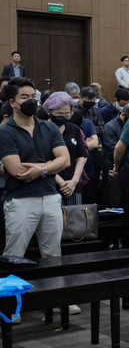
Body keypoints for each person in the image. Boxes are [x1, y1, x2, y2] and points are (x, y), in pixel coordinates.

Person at [0, 78, 70, 257]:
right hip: (20, 200)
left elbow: (65, 160)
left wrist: (42, 169)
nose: (31, 101)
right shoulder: (5, 133)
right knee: (14, 255)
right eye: (24, 97)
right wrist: (51, 164)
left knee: (53, 255)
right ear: (12, 102)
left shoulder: (49, 127)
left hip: (50, 197)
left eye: (33, 96)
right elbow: (19, 171)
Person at [42, 92, 88, 206]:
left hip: (73, 185)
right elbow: (40, 159)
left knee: (75, 215)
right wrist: (61, 183)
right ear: (50, 112)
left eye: (67, 114)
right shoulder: (42, 130)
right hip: (49, 185)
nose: (63, 117)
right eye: (59, 114)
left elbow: (81, 157)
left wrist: (74, 181)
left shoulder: (74, 129)